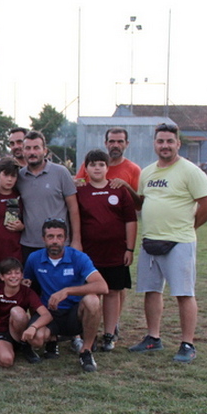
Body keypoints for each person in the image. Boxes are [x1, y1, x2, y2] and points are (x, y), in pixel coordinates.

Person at [129, 123, 207, 363]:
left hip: (179, 243)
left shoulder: (190, 171)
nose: (165, 146)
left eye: (169, 141)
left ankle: (187, 343)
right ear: (154, 144)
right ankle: (153, 337)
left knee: (183, 293)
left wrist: (190, 227)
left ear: (178, 143)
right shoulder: (147, 172)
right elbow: (142, 202)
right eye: (160, 141)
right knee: (151, 291)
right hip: (150, 241)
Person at [20, 219, 108, 372]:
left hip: (74, 312)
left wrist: (67, 291)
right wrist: (24, 283)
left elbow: (102, 286)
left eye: (59, 236)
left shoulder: (79, 257)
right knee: (36, 340)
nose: (55, 241)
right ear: (43, 239)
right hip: (49, 313)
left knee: (92, 300)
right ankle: (52, 339)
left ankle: (86, 351)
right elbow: (28, 285)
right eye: (50, 236)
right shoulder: (34, 258)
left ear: (66, 239)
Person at [76, 149, 137, 352]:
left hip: (115, 252)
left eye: (101, 164)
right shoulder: (80, 191)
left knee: (112, 292)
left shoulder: (118, 189)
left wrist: (130, 248)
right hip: (89, 254)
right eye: (92, 165)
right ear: (86, 168)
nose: (97, 168)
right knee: (90, 294)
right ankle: (88, 334)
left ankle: (109, 334)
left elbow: (130, 220)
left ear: (107, 167)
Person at [16, 130, 81, 260]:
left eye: (36, 148)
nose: (32, 152)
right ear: (23, 151)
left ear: (45, 151)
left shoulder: (61, 172)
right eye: (28, 148)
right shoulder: (19, 177)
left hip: (59, 244)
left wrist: (76, 240)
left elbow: (73, 209)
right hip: (29, 244)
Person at [0, 258, 51, 367]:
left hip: (19, 330)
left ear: (22, 275)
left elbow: (47, 315)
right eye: (9, 273)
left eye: (17, 273)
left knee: (17, 312)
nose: (13, 276)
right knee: (6, 361)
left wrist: (33, 327)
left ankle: (25, 345)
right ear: (2, 276)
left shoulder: (27, 292)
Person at [74, 127, 142, 204]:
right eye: (111, 141)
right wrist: (75, 182)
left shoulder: (134, 169)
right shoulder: (90, 165)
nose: (115, 145)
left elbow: (139, 204)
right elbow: (79, 183)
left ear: (127, 144)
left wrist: (126, 186)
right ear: (106, 143)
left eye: (120, 142)